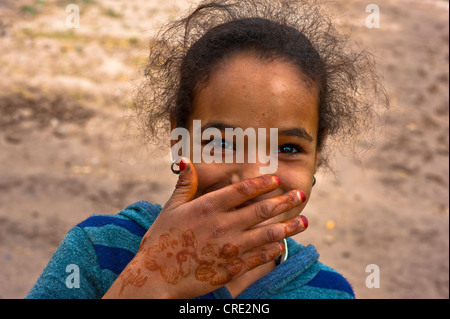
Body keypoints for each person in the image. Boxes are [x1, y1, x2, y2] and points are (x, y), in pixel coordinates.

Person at [26, 0, 386, 299]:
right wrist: (152, 279)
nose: (254, 176)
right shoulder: (98, 252)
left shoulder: (329, 293)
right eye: (224, 143)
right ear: (178, 138)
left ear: (317, 155)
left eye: (288, 148)